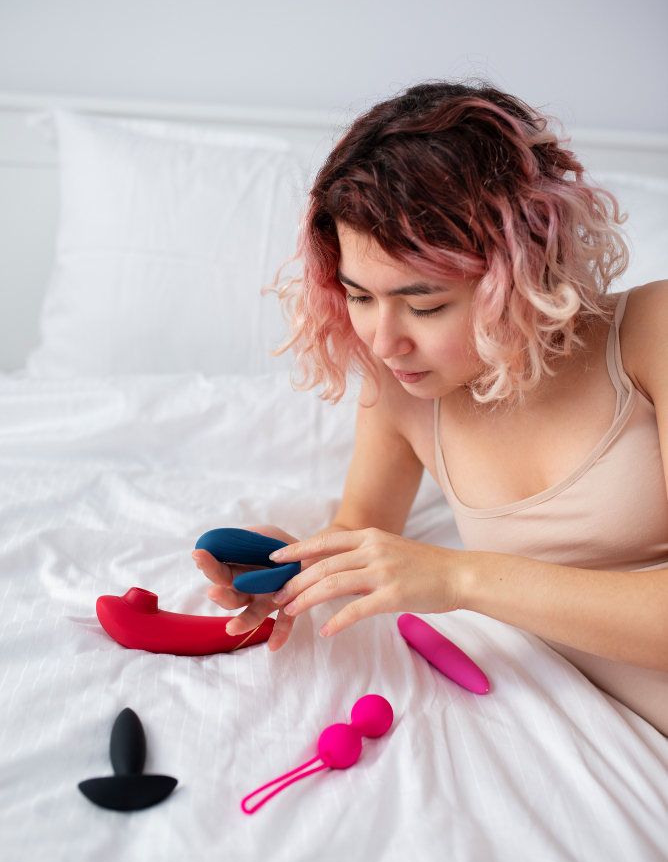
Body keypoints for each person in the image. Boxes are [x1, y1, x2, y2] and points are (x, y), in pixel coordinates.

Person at [193, 82, 668, 735]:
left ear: (521, 271)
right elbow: (360, 533)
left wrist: (458, 578)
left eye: (425, 306)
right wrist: (291, 568)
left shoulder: (652, 332)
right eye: (360, 297)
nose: (383, 341)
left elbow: (442, 575)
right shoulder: (404, 388)